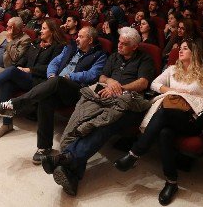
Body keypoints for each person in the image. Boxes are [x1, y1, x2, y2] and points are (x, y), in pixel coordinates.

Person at [32, 26, 155, 196]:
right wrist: (110, 82)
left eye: (124, 44)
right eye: (119, 42)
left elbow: (143, 83)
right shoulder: (114, 56)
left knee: (103, 126)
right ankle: (70, 169)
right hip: (104, 95)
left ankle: (66, 158)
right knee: (80, 118)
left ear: (134, 46)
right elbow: (102, 77)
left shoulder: (144, 59)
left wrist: (118, 88)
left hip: (127, 102)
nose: (119, 46)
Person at [114, 40, 203, 205]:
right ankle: (171, 182)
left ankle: (134, 153)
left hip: (191, 118)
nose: (180, 50)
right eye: (180, 47)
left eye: (185, 48)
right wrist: (173, 90)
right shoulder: (172, 69)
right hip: (170, 115)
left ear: (194, 53)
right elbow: (154, 84)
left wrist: (191, 96)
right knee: (165, 133)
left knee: (163, 114)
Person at [0, 26, 107, 163]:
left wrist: (69, 77)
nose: (77, 39)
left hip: (76, 90)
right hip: (57, 84)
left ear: (90, 40)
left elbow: (92, 75)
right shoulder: (70, 48)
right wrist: (51, 74)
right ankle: (44, 148)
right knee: (46, 99)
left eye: (81, 37)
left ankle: (14, 105)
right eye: (78, 36)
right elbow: (55, 62)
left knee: (58, 80)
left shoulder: (100, 55)